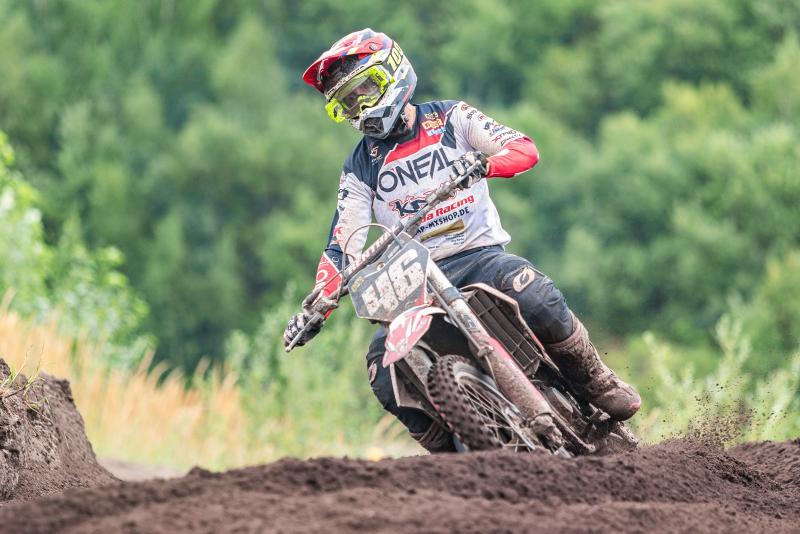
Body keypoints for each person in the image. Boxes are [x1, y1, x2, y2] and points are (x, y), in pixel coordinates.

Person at [283, 29, 640, 452]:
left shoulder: (450, 118)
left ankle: (595, 380)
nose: (359, 107)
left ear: (393, 73)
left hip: (480, 257)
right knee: (382, 366)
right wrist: (318, 304)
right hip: (414, 283)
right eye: (347, 103)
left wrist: (485, 164)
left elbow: (523, 148)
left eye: (364, 90)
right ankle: (451, 459)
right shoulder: (359, 167)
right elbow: (343, 244)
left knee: (533, 291)